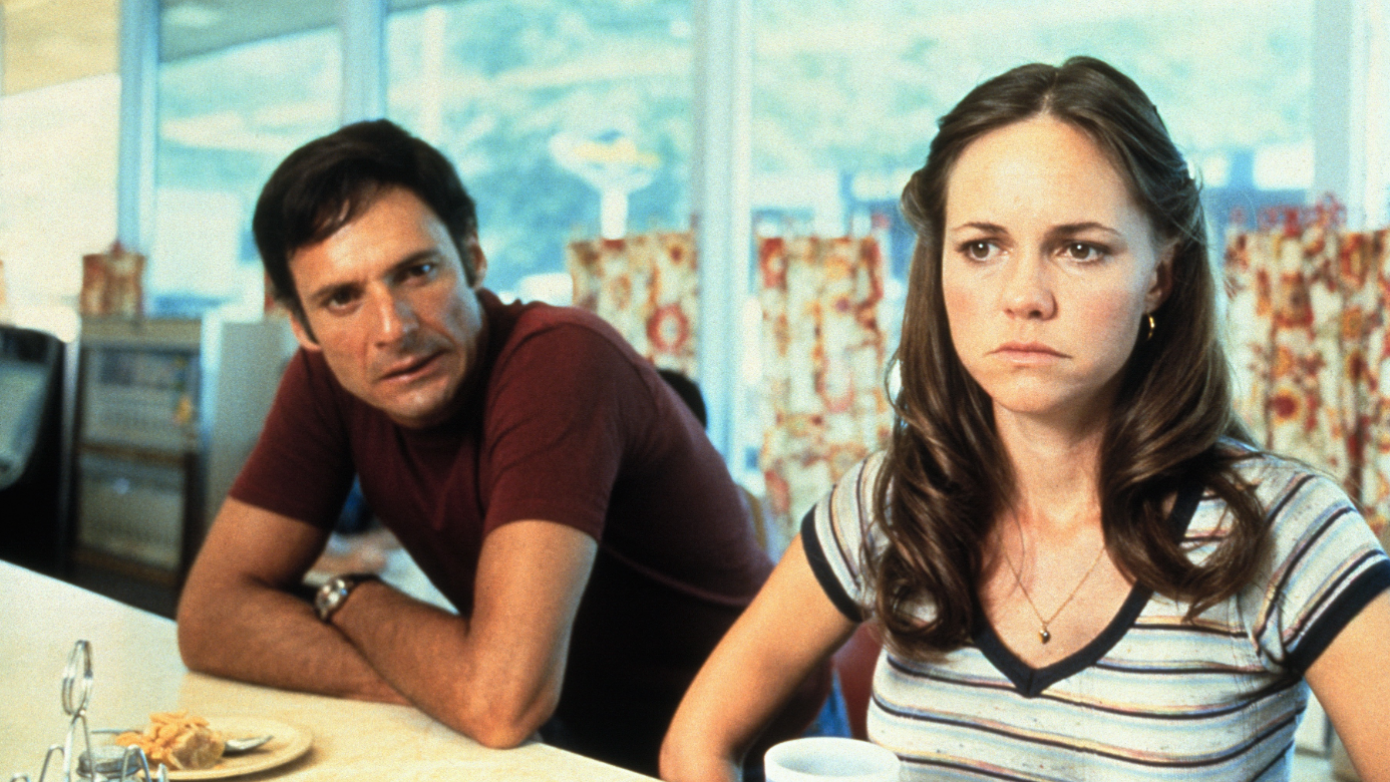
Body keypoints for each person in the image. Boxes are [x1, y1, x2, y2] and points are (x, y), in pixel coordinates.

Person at [660, 57, 1390, 782]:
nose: (1024, 297)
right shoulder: (891, 502)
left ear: (1159, 276)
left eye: (1080, 249)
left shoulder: (1288, 531)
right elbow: (697, 743)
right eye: (982, 247)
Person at [175, 119, 828, 776]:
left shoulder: (560, 361)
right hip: (574, 741)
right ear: (301, 325)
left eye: (418, 271)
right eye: (342, 298)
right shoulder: (329, 378)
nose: (393, 328)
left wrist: (347, 596)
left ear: (473, 257)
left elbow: (500, 702)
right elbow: (209, 617)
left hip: (759, 747)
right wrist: (446, 684)